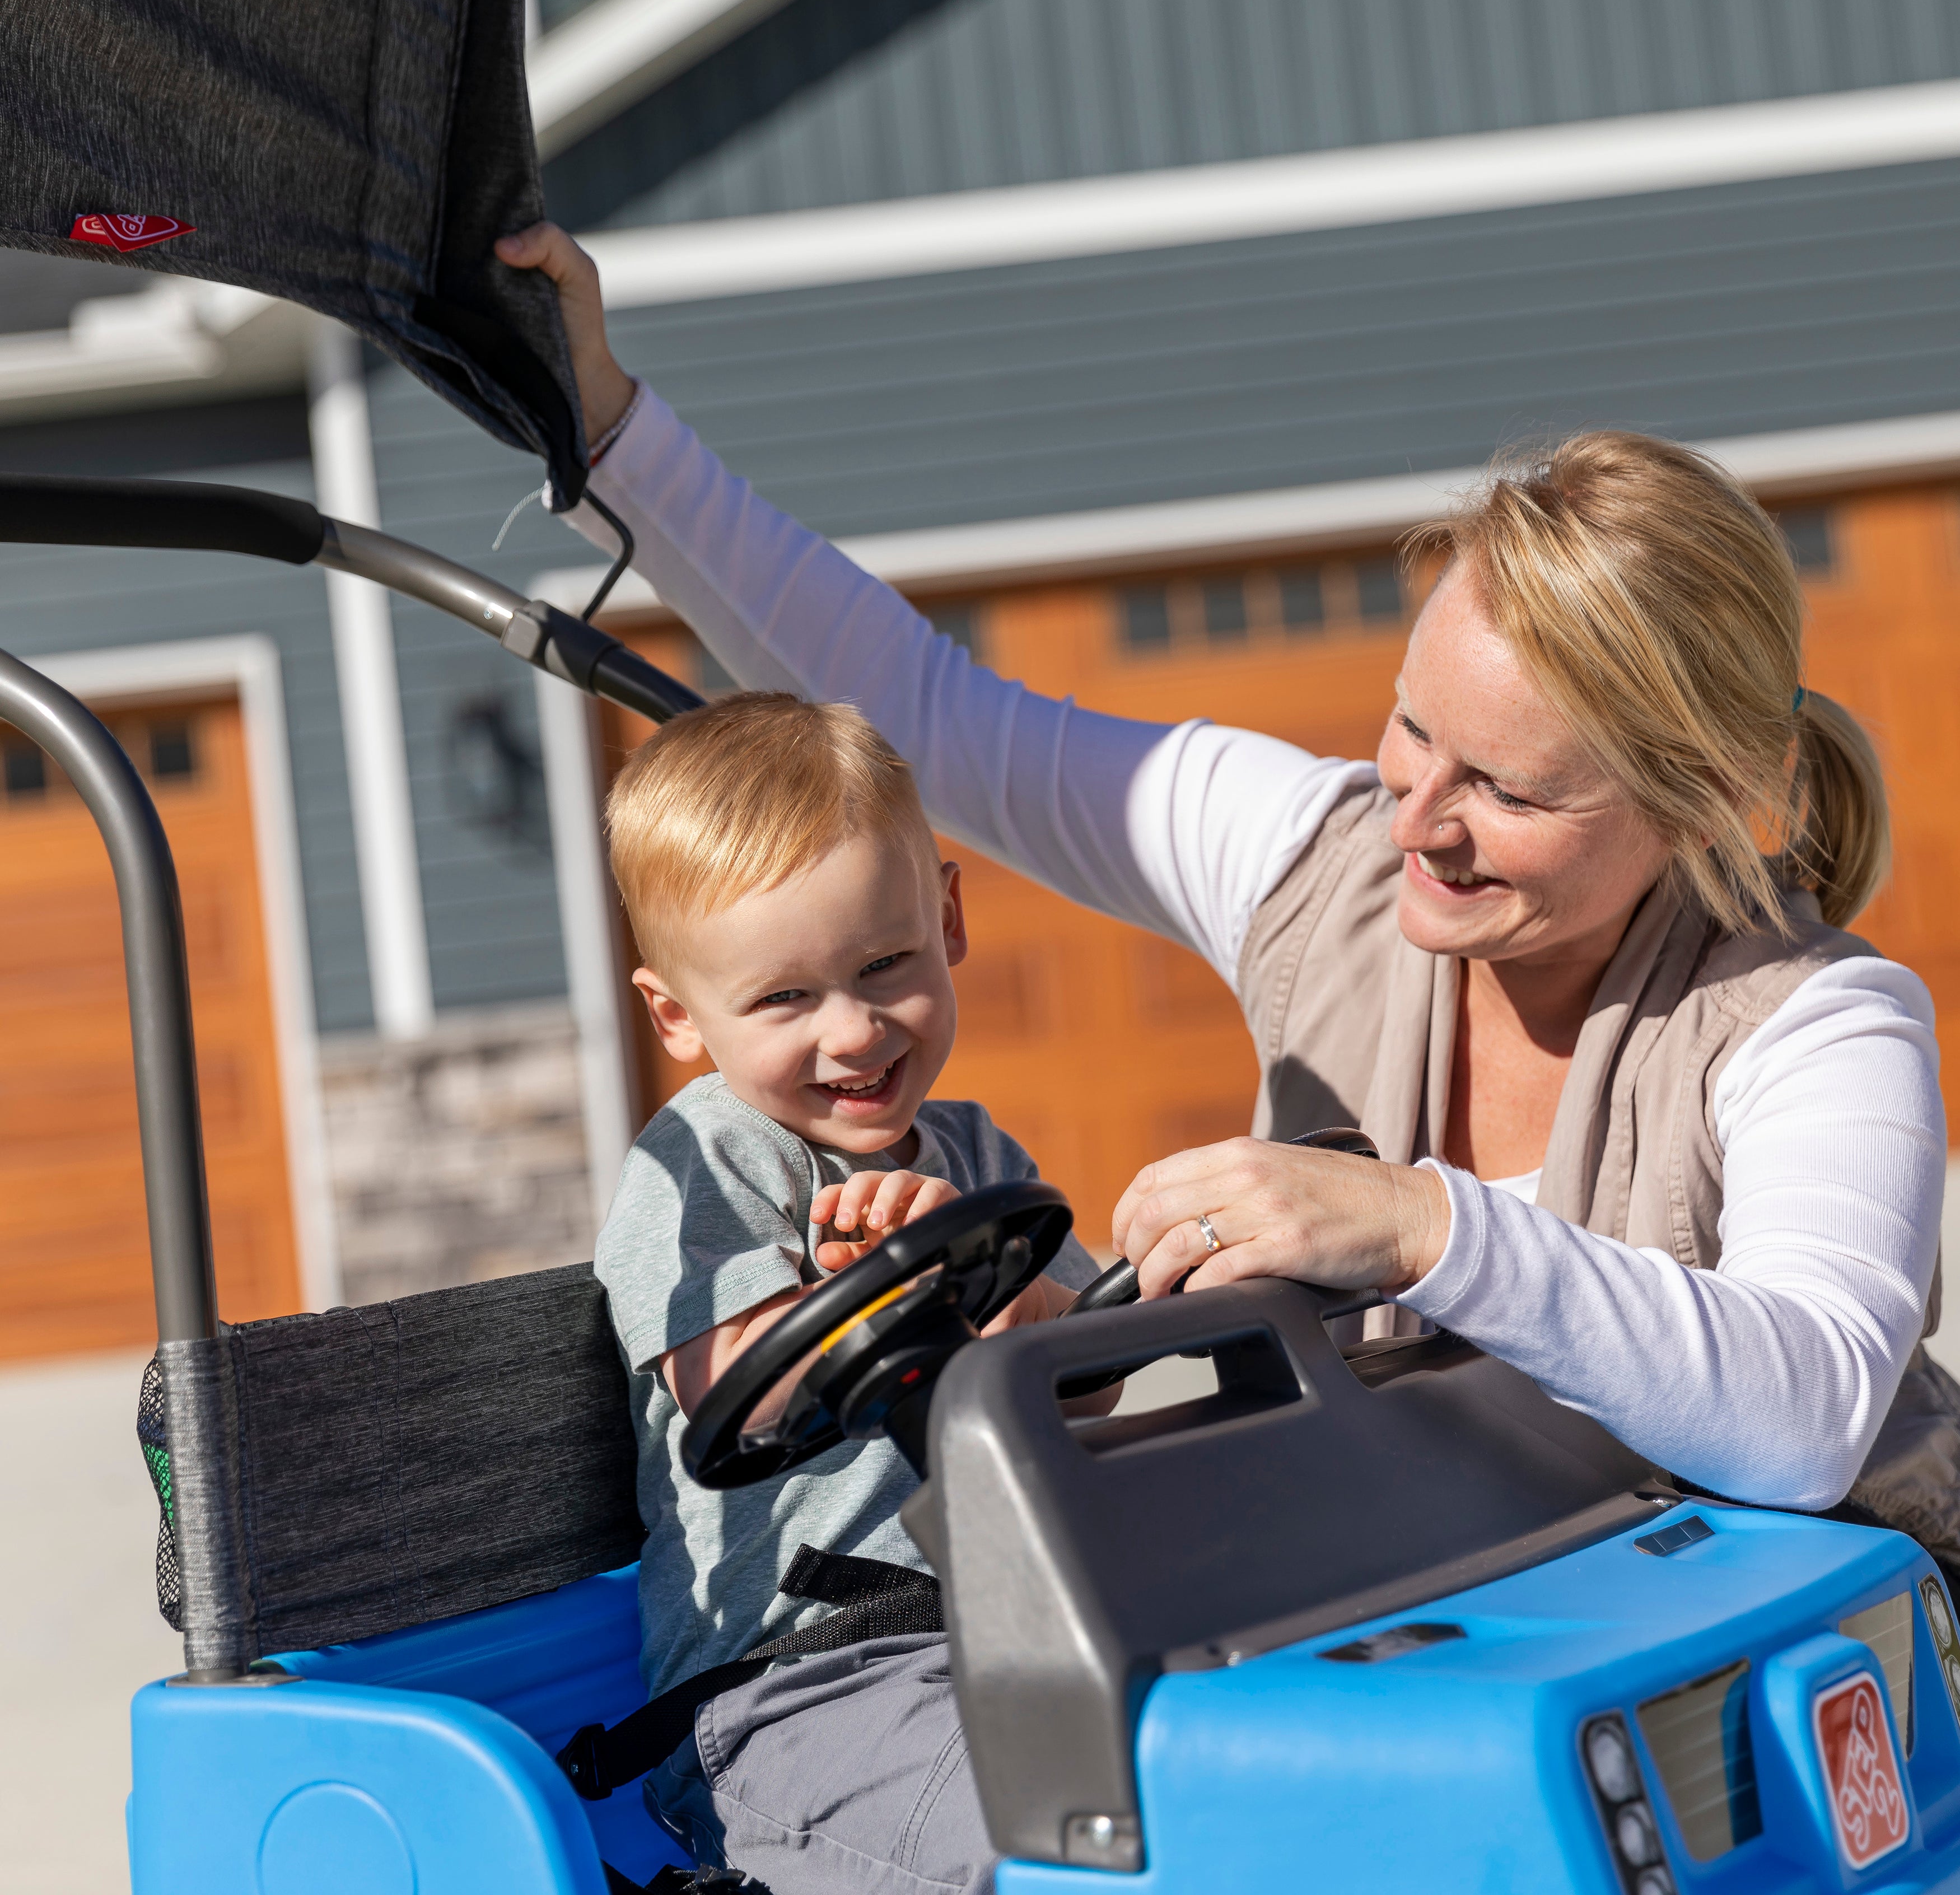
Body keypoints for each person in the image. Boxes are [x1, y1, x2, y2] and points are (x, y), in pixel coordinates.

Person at [499, 217, 1959, 1565]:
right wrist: (611, 426)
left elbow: (1811, 1404)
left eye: (1506, 792)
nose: (1419, 821)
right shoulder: (1310, 853)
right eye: (1409, 728)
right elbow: (917, 713)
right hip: (1411, 1644)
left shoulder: (1818, 1023)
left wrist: (1416, 1226)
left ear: (1689, 797)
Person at [594, 688, 1102, 1894]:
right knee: (1051, 1851)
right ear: (678, 1015)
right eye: (783, 998)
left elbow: (1082, 1368)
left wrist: (1003, 1297)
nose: (854, 1029)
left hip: (1027, 1642)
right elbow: (736, 1387)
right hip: (799, 1689)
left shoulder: (977, 1157)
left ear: (949, 911)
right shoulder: (706, 1156)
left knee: (1241, 1759)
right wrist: (903, 1290)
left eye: (885, 963)